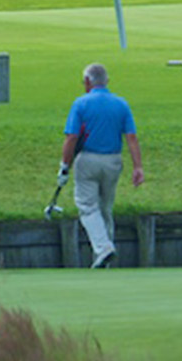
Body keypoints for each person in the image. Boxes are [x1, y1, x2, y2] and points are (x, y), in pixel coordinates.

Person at [58, 63, 144, 268]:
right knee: (105, 208)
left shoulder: (81, 103)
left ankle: (103, 248)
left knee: (88, 207)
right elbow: (131, 138)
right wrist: (138, 167)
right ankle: (104, 258)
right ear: (107, 81)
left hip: (88, 159)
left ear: (88, 82)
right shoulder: (121, 104)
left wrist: (64, 166)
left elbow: (71, 138)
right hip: (113, 161)